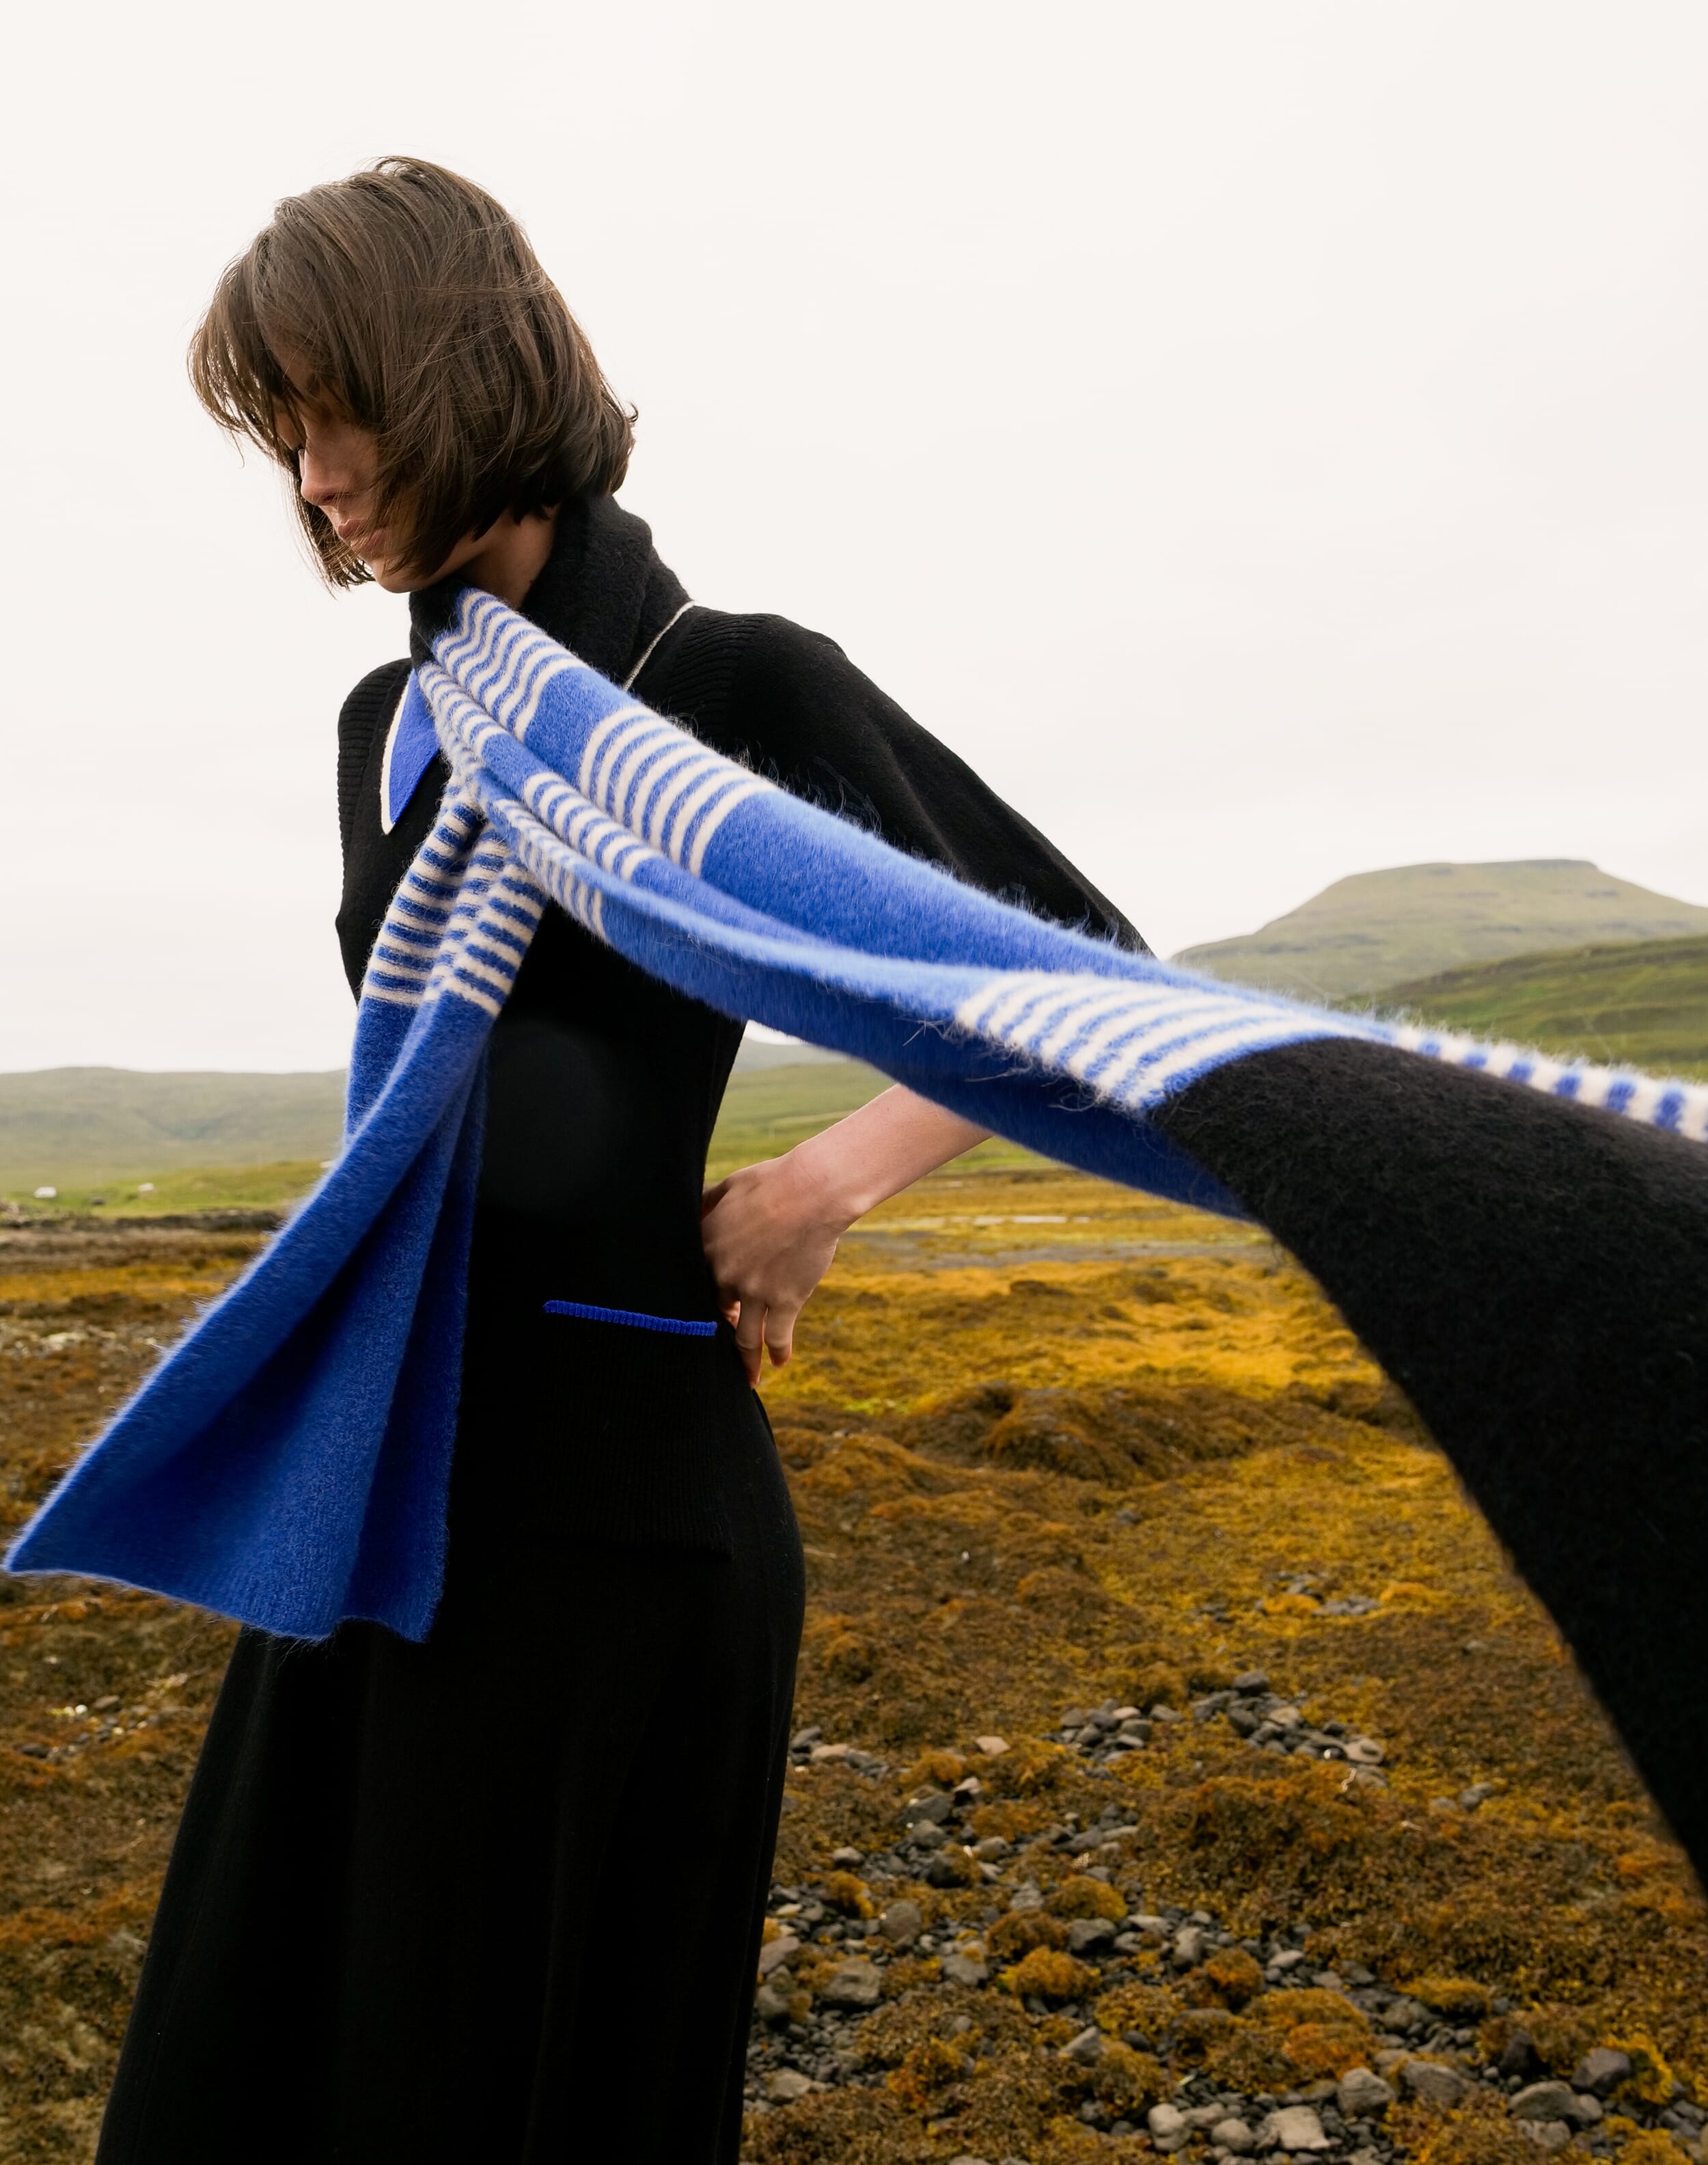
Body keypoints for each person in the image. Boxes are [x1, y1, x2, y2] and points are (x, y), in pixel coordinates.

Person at [94, 156, 1143, 2164]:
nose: (316, 481)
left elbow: (1080, 970)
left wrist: (816, 1188)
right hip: (379, 1487)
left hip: (619, 1532)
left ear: (467, 368)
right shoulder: (386, 724)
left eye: (341, 411)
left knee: (495, 2093)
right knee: (252, 2062)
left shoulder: (723, 688)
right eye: (280, 437)